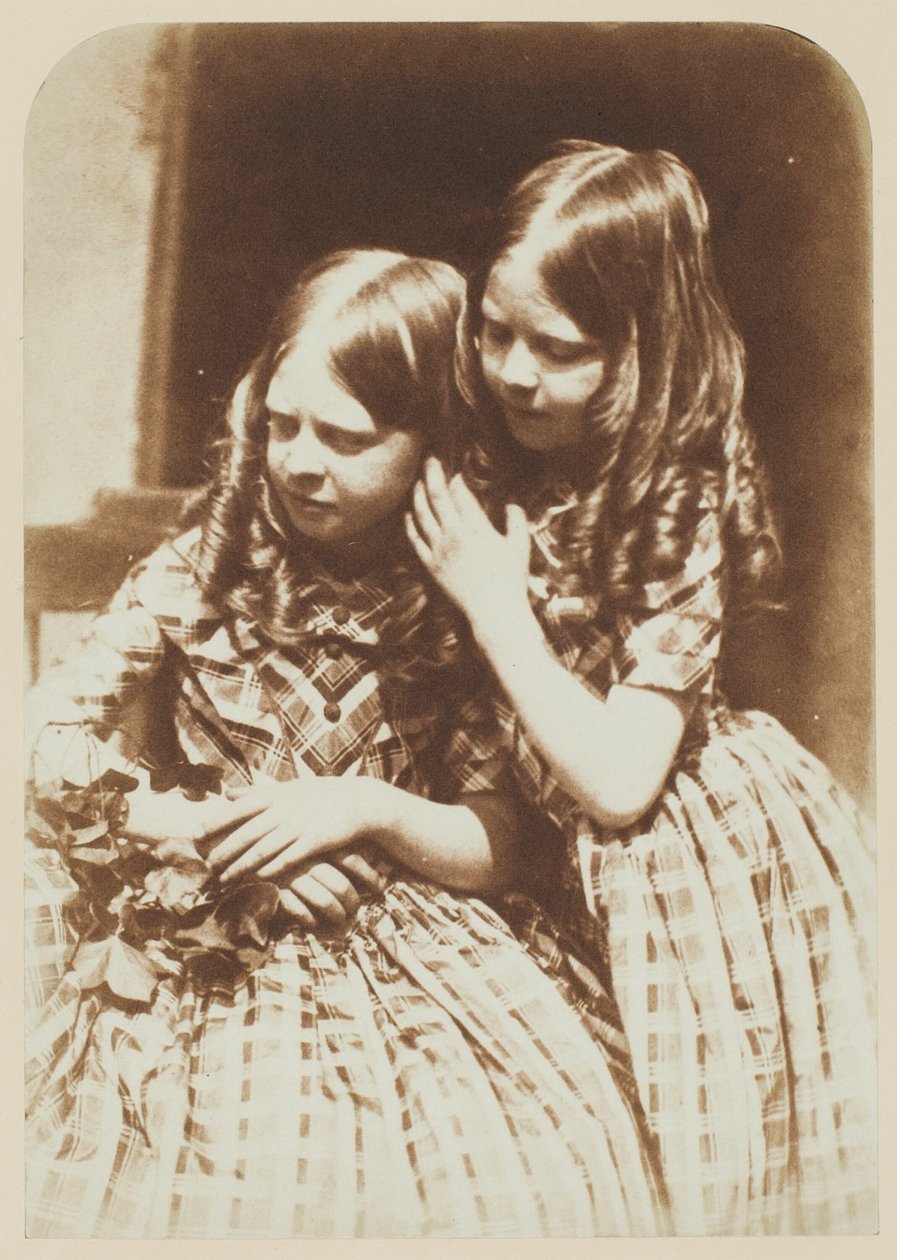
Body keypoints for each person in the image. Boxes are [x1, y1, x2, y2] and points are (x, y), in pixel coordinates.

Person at [24, 248, 666, 1238]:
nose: (299, 461)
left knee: (500, 1172)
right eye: (282, 424)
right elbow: (36, 739)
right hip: (205, 914)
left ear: (435, 442)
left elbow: (510, 839)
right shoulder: (208, 564)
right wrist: (210, 832)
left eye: (346, 436)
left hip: (406, 929)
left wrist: (368, 810)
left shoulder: (472, 587)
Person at [406, 142, 877, 1234]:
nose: (515, 372)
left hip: (694, 870)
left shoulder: (676, 494)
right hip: (558, 860)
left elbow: (620, 784)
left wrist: (496, 607)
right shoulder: (505, 460)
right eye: (495, 331)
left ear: (644, 351)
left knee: (720, 1177)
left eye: (560, 349)